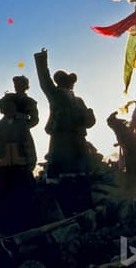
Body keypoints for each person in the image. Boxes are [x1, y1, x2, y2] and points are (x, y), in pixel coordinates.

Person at [33, 48, 96, 179]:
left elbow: (89, 122)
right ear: (60, 82)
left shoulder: (79, 101)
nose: (70, 83)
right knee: (60, 174)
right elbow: (45, 80)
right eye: (66, 80)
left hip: (78, 139)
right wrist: (42, 59)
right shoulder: (55, 94)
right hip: (61, 138)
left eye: (70, 80)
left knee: (81, 174)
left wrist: (89, 116)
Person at [0, 101, 37, 229]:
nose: (9, 109)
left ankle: (27, 225)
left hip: (21, 166)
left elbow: (29, 143)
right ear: (2, 110)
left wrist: (32, 160)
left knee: (25, 197)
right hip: (5, 167)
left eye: (11, 106)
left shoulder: (22, 125)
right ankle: (9, 227)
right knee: (6, 199)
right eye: (7, 107)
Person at [107, 110, 136, 187]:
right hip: (131, 148)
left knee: (134, 165)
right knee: (134, 165)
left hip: (131, 148)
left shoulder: (121, 129)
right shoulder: (121, 129)